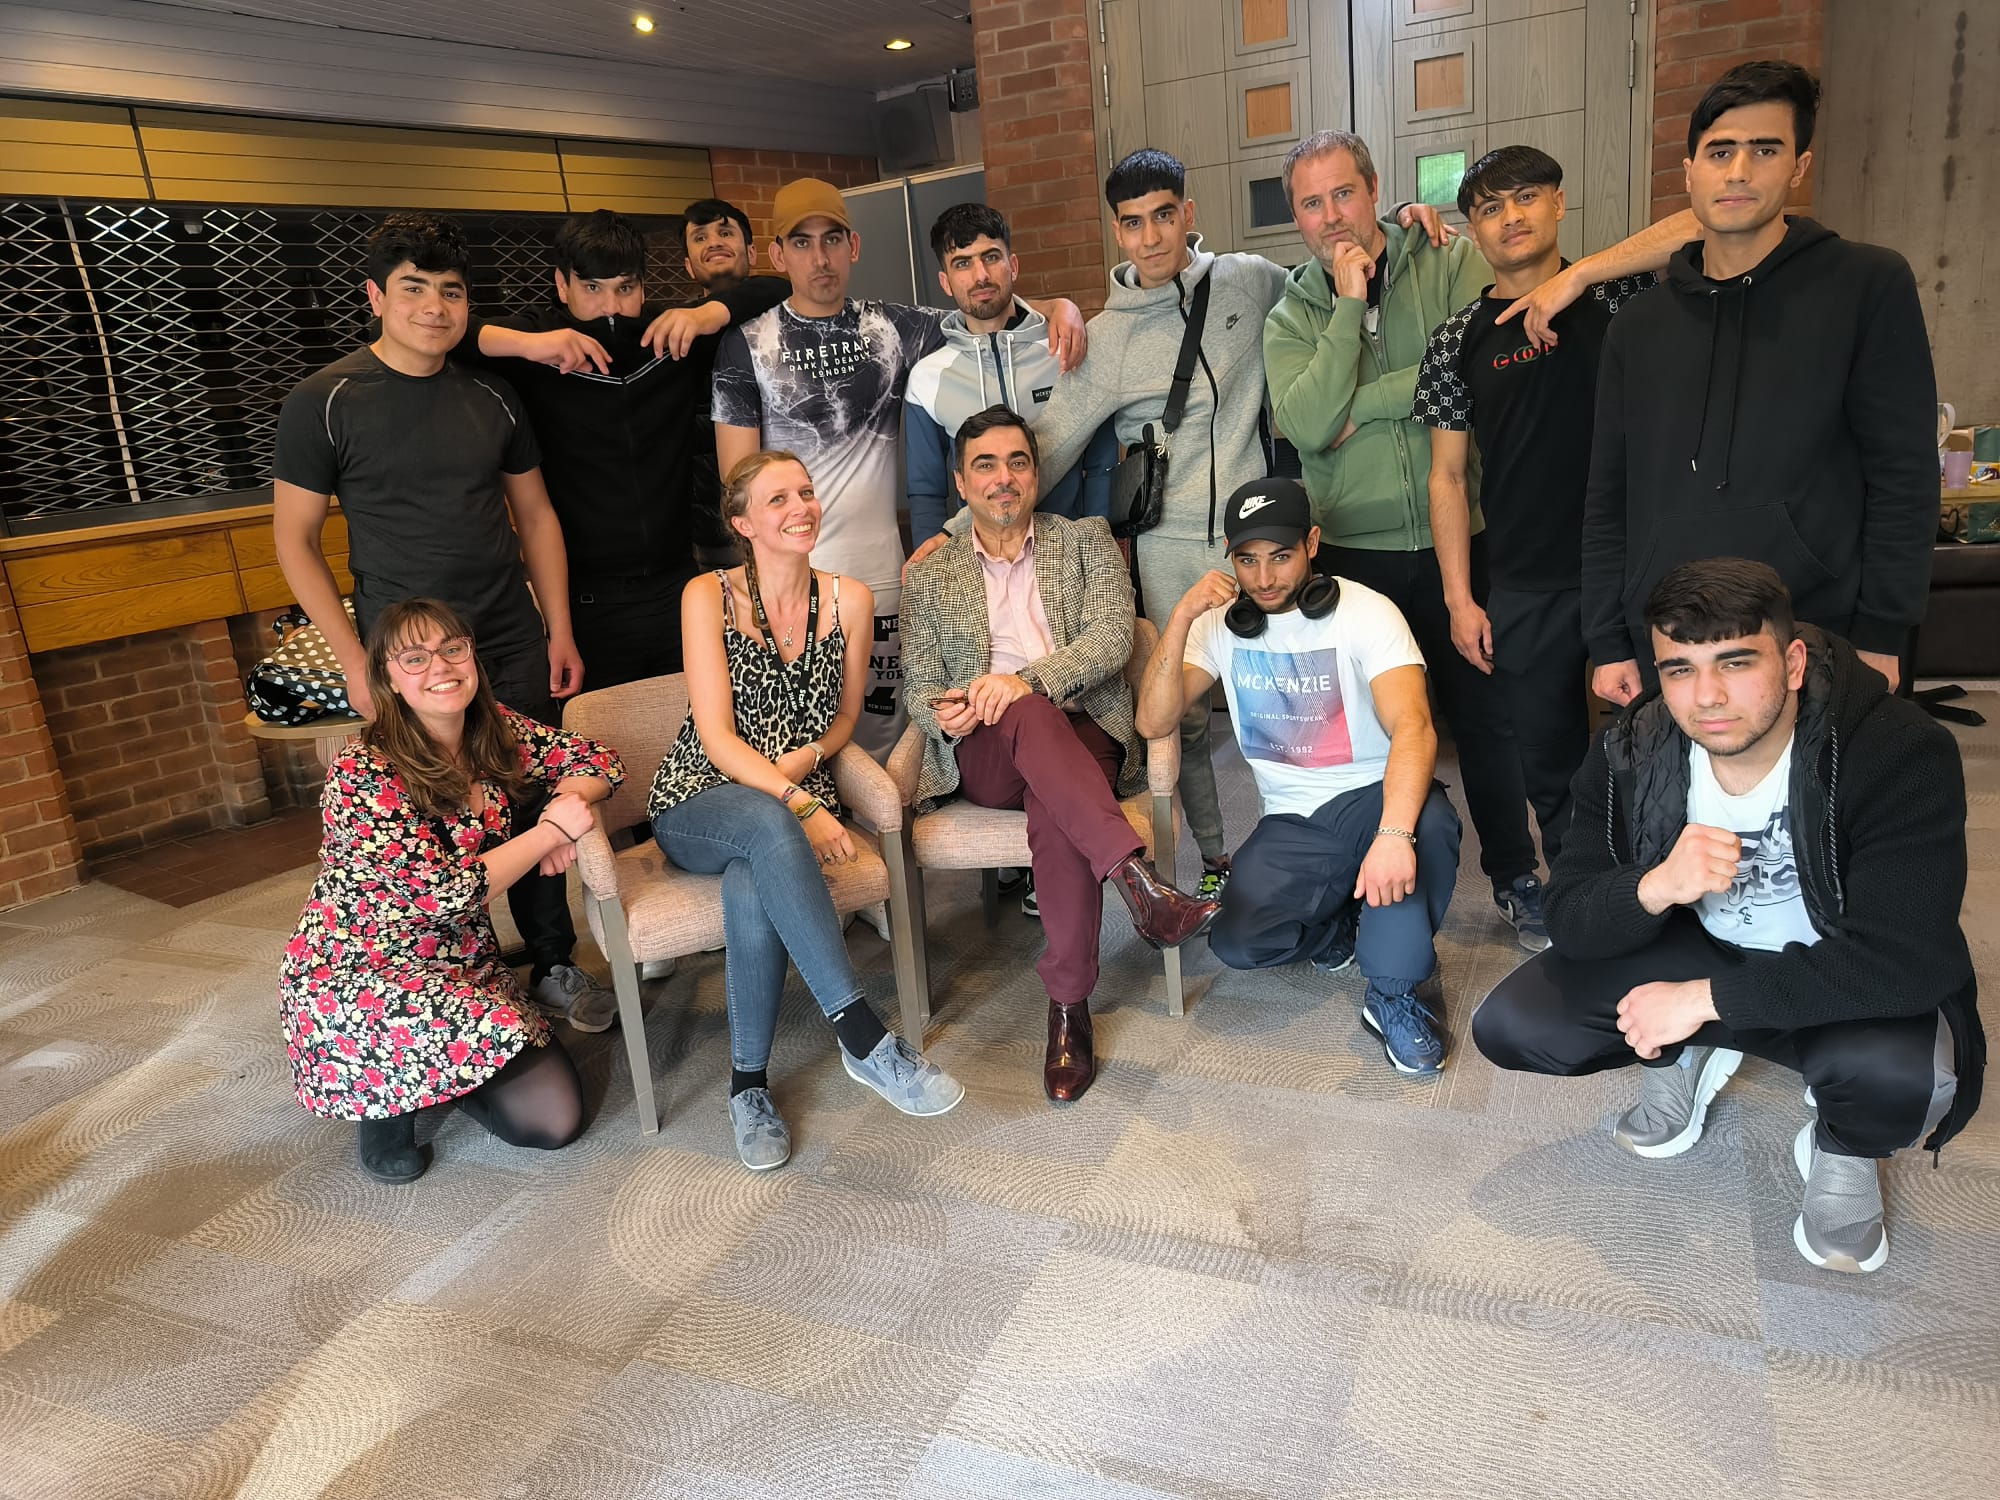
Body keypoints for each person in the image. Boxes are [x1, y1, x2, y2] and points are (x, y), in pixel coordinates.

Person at [1472, 558, 1982, 1273]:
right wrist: (1654, 886)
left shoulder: (1895, 749)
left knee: (1902, 1081)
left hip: (1835, 965)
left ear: (1794, 661)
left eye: (1736, 662)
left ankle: (1843, 1143)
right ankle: (1691, 1051)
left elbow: (1906, 958)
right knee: (1515, 1024)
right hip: (1704, 944)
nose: (1707, 697)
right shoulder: (1628, 754)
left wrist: (1703, 1002)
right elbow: (1573, 913)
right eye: (1679, 670)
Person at [1025, 150, 1448, 902]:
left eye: (1163, 215)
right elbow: (1045, 446)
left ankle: (1335, 826)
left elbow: (1334, 272)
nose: (1151, 237)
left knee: (1303, 685)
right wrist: (963, 528)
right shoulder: (1109, 336)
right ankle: (1215, 858)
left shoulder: (1250, 281)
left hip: (1264, 537)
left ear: (1188, 214)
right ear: (1116, 233)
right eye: (1132, 223)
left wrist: (1403, 226)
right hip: (1168, 544)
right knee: (1183, 718)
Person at [271, 211, 616, 1034]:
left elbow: (535, 517)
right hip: (405, 655)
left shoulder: (491, 392)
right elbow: (294, 540)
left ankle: (557, 961)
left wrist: (557, 629)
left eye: (450, 291)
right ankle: (459, 979)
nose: (434, 307)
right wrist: (355, 658)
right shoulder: (326, 401)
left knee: (531, 794)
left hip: (505, 634)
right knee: (425, 816)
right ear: (375, 298)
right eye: (413, 289)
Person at [1263, 129, 1559, 954]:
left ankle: (1514, 874)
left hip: (1464, 534)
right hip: (1355, 551)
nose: (1332, 217)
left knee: (1487, 718)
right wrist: (1350, 301)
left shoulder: (1448, 260)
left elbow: (1475, 358)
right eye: (1312, 203)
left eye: (1344, 194)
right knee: (1364, 732)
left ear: (1374, 188)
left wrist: (1374, 397)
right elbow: (1311, 422)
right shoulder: (1291, 314)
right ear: (1296, 216)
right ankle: (1368, 875)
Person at [1580, 60, 1939, 706]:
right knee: (1672, 811)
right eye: (1720, 152)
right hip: (1667, 642)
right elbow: (1608, 493)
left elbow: (1903, 474)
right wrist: (1606, 638)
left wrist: (1884, 631)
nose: (1739, 171)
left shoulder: (1866, 286)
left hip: (1813, 632)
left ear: (1798, 165)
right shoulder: (1637, 324)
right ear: (1689, 171)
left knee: (1817, 810)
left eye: (1764, 149)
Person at [647, 449, 964, 1170]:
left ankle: (746, 1086)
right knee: (767, 825)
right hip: (701, 795)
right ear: (743, 523)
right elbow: (718, 738)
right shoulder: (708, 596)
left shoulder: (849, 598)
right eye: (777, 500)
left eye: (806, 493)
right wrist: (804, 805)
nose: (800, 508)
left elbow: (846, 718)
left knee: (754, 880)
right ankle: (863, 1038)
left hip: (790, 793)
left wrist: (809, 762)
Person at [902, 406, 1220, 1102]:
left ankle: (1068, 1011)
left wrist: (1023, 682)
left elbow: (1113, 639)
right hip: (984, 751)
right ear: (961, 483)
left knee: (1054, 802)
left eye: (1017, 461)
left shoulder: (1085, 541)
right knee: (1024, 717)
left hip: (1083, 733)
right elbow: (919, 689)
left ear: (1036, 473)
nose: (1003, 477)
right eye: (985, 465)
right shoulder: (931, 574)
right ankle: (1139, 884)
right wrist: (950, 710)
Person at [712, 178, 1085, 761]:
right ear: (777, 255)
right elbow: (739, 489)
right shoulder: (746, 347)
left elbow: (987, 306)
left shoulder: (898, 327)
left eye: (832, 239)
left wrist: (1064, 307)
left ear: (853, 245)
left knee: (886, 735)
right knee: (790, 734)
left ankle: (889, 849)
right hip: (787, 576)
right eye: (802, 243)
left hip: (882, 572)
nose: (820, 257)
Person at [1418, 146, 1695, 872]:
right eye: (1489, 208)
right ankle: (1581, 898)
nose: (1511, 217)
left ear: (1559, 203)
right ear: (1472, 232)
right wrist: (1458, 598)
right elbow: (1447, 478)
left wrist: (1579, 276)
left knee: (1666, 740)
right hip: (1527, 580)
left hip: (1639, 570)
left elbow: (1703, 224)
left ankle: (1667, 891)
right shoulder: (1456, 341)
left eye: (1526, 197)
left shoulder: (1624, 297)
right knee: (1549, 761)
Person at [281, 598, 623, 1183]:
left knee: (553, 1122)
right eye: (414, 658)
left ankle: (442, 1071)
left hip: (461, 960)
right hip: (361, 968)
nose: (439, 667)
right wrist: (549, 833)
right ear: (387, 678)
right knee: (474, 1072)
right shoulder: (362, 770)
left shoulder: (493, 729)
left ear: (472, 655)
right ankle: (391, 1098)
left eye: (451, 649)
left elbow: (598, 760)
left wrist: (570, 801)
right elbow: (445, 893)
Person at [1137, 478, 1464, 1077]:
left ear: (1311, 543)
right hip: (1293, 818)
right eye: (1247, 560)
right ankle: (1344, 924)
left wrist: (1393, 835)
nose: (1263, 578)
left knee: (1430, 827)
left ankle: (1394, 990)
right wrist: (1182, 615)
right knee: (1238, 942)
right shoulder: (1217, 628)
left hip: (1373, 795)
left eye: (1281, 556)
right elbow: (1152, 718)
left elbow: (1415, 727)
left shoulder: (1367, 612)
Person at [445, 208, 788, 689]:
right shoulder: (539, 344)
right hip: (586, 600)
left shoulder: (669, 339)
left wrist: (704, 312)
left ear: (643, 287)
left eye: (625, 288)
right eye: (592, 288)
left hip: (679, 583)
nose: (610, 306)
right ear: (562, 286)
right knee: (604, 740)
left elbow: (779, 291)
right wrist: (529, 345)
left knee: (701, 729)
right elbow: (447, 332)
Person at [904, 204, 1117, 545]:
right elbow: (926, 491)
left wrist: (1098, 544)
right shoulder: (928, 378)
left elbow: (1101, 466)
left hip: (1069, 555)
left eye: (991, 257)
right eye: (963, 263)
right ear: (945, 281)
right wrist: (931, 566)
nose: (981, 276)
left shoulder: (1066, 348)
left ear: (1012, 265)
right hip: (982, 566)